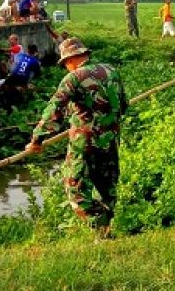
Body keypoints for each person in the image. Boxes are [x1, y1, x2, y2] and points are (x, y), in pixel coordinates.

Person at [25, 38, 128, 225]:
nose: (66, 68)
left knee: (74, 189)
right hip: (111, 139)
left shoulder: (73, 78)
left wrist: (36, 141)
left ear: (70, 60)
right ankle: (105, 230)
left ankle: (98, 224)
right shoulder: (111, 71)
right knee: (107, 188)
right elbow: (124, 104)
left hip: (84, 144)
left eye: (65, 64)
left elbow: (53, 112)